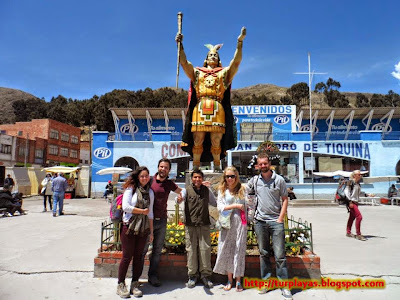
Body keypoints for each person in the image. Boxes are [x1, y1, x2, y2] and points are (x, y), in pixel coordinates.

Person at [176, 27, 246, 171]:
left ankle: (217, 167)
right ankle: (196, 168)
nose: (213, 57)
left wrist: (239, 43)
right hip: (200, 107)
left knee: (216, 141)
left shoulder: (224, 74)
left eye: (215, 55)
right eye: (210, 55)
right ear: (206, 59)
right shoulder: (197, 73)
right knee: (198, 140)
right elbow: (184, 63)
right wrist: (180, 45)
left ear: (218, 59)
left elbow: (236, 62)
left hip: (217, 107)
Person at [247, 153, 292, 300]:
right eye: (260, 164)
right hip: (260, 221)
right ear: (257, 165)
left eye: (265, 163)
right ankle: (266, 282)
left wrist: (280, 218)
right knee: (264, 253)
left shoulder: (279, 180)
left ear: (269, 163)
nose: (263, 166)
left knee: (280, 255)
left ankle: (284, 285)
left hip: (275, 221)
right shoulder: (255, 180)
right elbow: (241, 190)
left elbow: (285, 199)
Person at [141, 158, 182, 287]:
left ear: (169, 170)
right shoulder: (150, 180)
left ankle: (152, 276)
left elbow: (183, 192)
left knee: (157, 251)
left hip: (162, 220)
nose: (163, 169)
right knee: (143, 250)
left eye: (165, 167)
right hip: (148, 221)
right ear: (158, 167)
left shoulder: (169, 184)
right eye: (161, 166)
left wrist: (181, 198)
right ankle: (136, 277)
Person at [117, 166, 154, 298]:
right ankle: (121, 284)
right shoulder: (130, 189)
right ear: (138, 177)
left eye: (146, 176)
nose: (144, 178)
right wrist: (141, 211)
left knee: (139, 257)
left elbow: (151, 213)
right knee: (127, 257)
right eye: (142, 176)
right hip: (129, 227)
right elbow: (126, 207)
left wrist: (152, 232)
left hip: (143, 228)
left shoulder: (150, 192)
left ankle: (134, 283)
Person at [176, 169, 216, 289]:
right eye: (195, 177)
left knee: (205, 250)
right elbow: (180, 198)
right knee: (191, 251)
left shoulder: (206, 191)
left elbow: (214, 203)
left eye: (199, 177)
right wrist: (179, 199)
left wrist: (212, 189)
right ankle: (192, 276)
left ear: (202, 179)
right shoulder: (186, 190)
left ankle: (205, 276)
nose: (197, 179)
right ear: (191, 179)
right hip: (190, 225)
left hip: (204, 224)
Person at [213, 166, 247, 292]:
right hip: (227, 223)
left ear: (236, 176)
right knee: (227, 250)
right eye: (227, 176)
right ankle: (229, 279)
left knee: (239, 250)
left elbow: (247, 204)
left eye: (232, 176)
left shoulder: (243, 189)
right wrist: (235, 205)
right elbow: (220, 207)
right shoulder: (222, 190)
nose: (230, 179)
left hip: (240, 222)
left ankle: (238, 280)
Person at [345, 170, 366, 241]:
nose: (360, 176)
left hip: (355, 202)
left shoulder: (358, 183)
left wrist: (367, 194)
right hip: (352, 202)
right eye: (359, 174)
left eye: (360, 174)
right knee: (359, 217)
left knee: (352, 217)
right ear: (354, 175)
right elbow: (346, 192)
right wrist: (350, 202)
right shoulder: (350, 182)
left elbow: (358, 193)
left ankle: (348, 232)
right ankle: (358, 234)